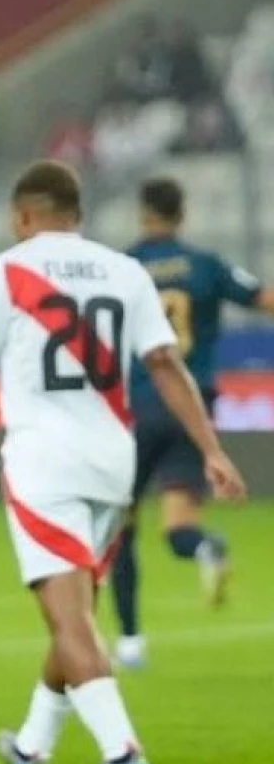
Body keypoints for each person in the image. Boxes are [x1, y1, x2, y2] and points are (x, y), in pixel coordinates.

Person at [0, 161, 246, 764]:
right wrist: (211, 449)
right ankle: (32, 747)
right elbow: (166, 364)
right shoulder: (124, 270)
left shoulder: (6, 270)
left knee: (70, 618)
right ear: (78, 215)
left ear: (22, 216)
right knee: (76, 610)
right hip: (112, 461)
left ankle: (122, 752)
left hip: (44, 463)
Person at [111, 178, 274, 668]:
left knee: (119, 526)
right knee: (180, 524)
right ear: (182, 214)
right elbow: (263, 298)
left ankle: (131, 641)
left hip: (139, 405)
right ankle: (205, 547)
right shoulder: (206, 265)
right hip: (193, 407)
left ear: (143, 213)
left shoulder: (123, 267)